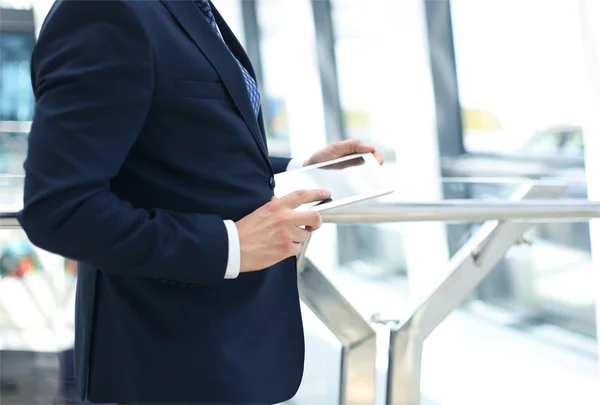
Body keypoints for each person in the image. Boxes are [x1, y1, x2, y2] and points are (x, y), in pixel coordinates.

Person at [18, 1, 383, 404]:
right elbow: (60, 210)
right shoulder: (104, 9)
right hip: (166, 358)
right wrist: (227, 246)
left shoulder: (189, 9)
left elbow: (176, 144)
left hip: (227, 350)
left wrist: (302, 167)